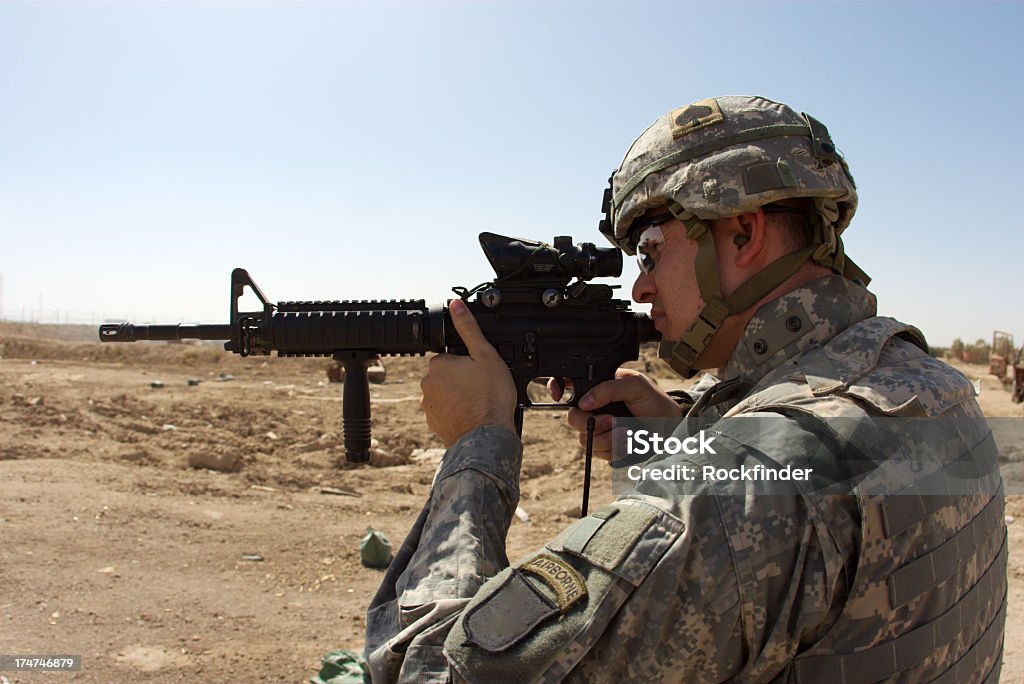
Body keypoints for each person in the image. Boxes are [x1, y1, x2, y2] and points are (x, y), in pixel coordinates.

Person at [364, 95, 1006, 683]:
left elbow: (434, 672)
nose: (638, 288)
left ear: (744, 234)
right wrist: (679, 440)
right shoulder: (931, 385)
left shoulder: (738, 492)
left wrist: (477, 444)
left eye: (648, 251)